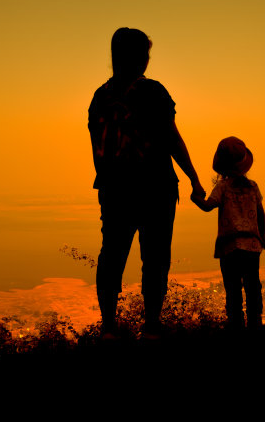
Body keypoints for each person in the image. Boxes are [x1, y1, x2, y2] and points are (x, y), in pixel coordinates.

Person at [88, 27, 205, 339]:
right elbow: (171, 138)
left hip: (113, 190)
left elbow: (97, 149)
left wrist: (109, 181)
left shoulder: (100, 97)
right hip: (156, 187)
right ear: (138, 56)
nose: (148, 60)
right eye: (146, 53)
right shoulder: (153, 91)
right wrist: (194, 178)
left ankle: (109, 328)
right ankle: (151, 326)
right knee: (155, 258)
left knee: (112, 255)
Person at [191, 136, 265, 332]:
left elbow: (208, 206)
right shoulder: (253, 187)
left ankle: (235, 321)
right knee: (252, 284)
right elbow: (261, 213)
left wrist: (196, 198)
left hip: (229, 246)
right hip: (252, 245)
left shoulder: (222, 188)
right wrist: (263, 235)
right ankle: (255, 320)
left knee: (232, 285)